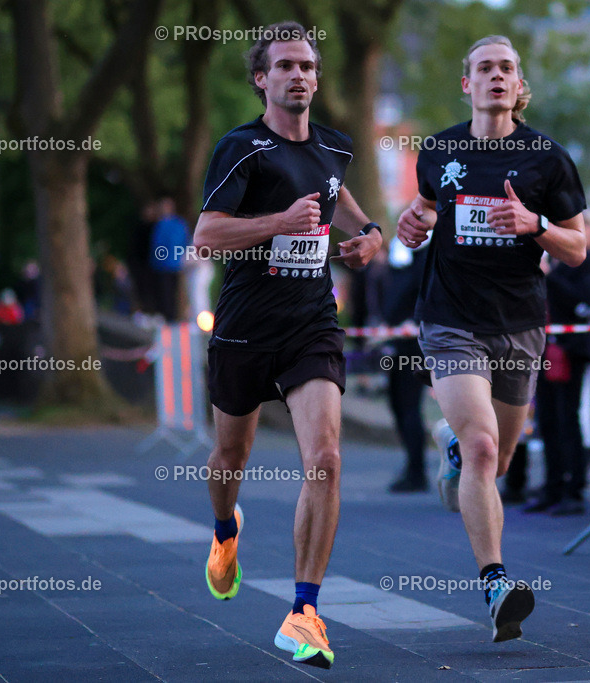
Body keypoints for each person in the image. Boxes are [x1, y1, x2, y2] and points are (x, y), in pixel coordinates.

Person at [192, 22, 383, 670]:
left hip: (311, 323)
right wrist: (280, 222)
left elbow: (340, 198)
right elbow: (205, 237)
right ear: (261, 78)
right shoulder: (241, 149)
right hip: (245, 326)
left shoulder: (334, 147)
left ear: (317, 78)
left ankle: (304, 610)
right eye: (285, 66)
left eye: (307, 66)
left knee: (325, 457)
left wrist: (370, 234)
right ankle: (224, 530)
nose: (298, 75)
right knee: (228, 456)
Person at [397, 35, 587, 642]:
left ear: (518, 82)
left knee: (498, 459)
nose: (496, 76)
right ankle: (496, 582)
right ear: (468, 83)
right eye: (485, 68)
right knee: (484, 450)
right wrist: (413, 221)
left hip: (521, 324)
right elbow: (427, 207)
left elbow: (579, 248)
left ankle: (451, 445)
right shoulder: (440, 149)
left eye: (506, 67)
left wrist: (537, 226)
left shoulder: (548, 160)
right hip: (451, 318)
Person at [527, 211, 590, 515]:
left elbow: (583, 301)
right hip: (546, 348)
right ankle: (552, 485)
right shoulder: (557, 261)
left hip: (571, 350)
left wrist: (551, 277)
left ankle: (573, 489)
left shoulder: (586, 263)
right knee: (546, 419)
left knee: (566, 418)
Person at [383, 236, 429, 492]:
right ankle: (412, 466)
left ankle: (417, 471)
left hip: (415, 344)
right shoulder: (400, 259)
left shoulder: (426, 259)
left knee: (409, 407)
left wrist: (415, 321)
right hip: (397, 342)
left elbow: (429, 294)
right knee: (398, 405)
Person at [149, 196, 190, 321]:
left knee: (170, 292)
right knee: (165, 292)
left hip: (171, 264)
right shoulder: (166, 223)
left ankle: (170, 317)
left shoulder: (171, 224)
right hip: (165, 264)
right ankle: (168, 316)